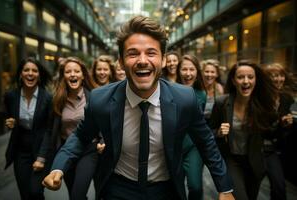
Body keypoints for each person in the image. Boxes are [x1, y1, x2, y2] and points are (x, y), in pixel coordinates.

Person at [43, 16, 234, 200]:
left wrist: (224, 187)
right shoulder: (101, 99)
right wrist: (58, 167)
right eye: (133, 53)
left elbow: (206, 142)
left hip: (166, 189)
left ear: (164, 60)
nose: (142, 60)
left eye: (151, 53)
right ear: (120, 62)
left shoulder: (184, 98)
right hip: (118, 188)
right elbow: (80, 136)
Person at [210, 60, 278, 200]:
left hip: (255, 161)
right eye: (240, 77)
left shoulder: (262, 105)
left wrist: (281, 122)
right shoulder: (222, 103)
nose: (246, 81)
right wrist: (218, 132)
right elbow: (209, 132)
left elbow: (271, 133)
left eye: (250, 77)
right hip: (232, 160)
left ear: (256, 80)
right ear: (234, 81)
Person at [47, 57, 103, 200]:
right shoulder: (57, 99)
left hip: (89, 150)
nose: (72, 74)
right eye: (68, 72)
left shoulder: (94, 96)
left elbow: (102, 122)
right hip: (66, 150)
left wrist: (102, 140)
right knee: (74, 195)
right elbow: (50, 130)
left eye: (76, 71)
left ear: (83, 75)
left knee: (77, 194)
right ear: (63, 76)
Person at [4, 57, 52, 200]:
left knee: (35, 192)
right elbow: (10, 118)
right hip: (20, 151)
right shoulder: (11, 96)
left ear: (39, 75)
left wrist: (42, 157)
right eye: (26, 70)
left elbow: (49, 130)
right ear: (20, 74)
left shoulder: (48, 98)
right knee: (25, 194)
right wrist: (10, 123)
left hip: (40, 149)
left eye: (34, 71)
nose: (30, 73)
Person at [263, 63, 297, 199]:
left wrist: (286, 122)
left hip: (272, 150)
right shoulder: (258, 97)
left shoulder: (286, 98)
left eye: (281, 75)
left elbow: (283, 123)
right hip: (254, 148)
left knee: (279, 188)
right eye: (274, 76)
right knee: (250, 189)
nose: (279, 79)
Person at [177, 55, 206, 200]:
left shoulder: (201, 94)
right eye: (184, 69)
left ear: (197, 72)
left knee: (196, 187)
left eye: (192, 69)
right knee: (175, 188)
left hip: (193, 147)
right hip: (172, 147)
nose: (188, 73)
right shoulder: (168, 91)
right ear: (178, 71)